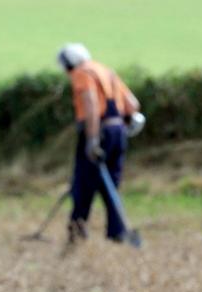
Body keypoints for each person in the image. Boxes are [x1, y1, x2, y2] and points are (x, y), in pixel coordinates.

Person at [57, 43, 141, 244]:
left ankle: (77, 229)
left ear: (69, 64)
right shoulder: (106, 71)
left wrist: (92, 139)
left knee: (84, 182)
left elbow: (91, 106)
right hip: (118, 130)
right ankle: (118, 231)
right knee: (111, 183)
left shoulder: (82, 73)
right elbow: (133, 104)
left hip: (98, 130)